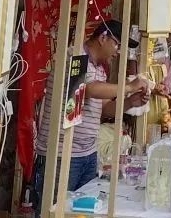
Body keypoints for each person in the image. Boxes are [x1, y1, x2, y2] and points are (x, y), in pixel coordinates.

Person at [34, 20, 148, 195]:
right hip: (62, 153)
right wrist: (129, 86)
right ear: (103, 37)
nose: (118, 53)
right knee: (54, 208)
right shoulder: (76, 57)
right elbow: (87, 89)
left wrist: (130, 102)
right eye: (117, 45)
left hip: (88, 153)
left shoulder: (99, 69)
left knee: (79, 210)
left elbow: (104, 109)